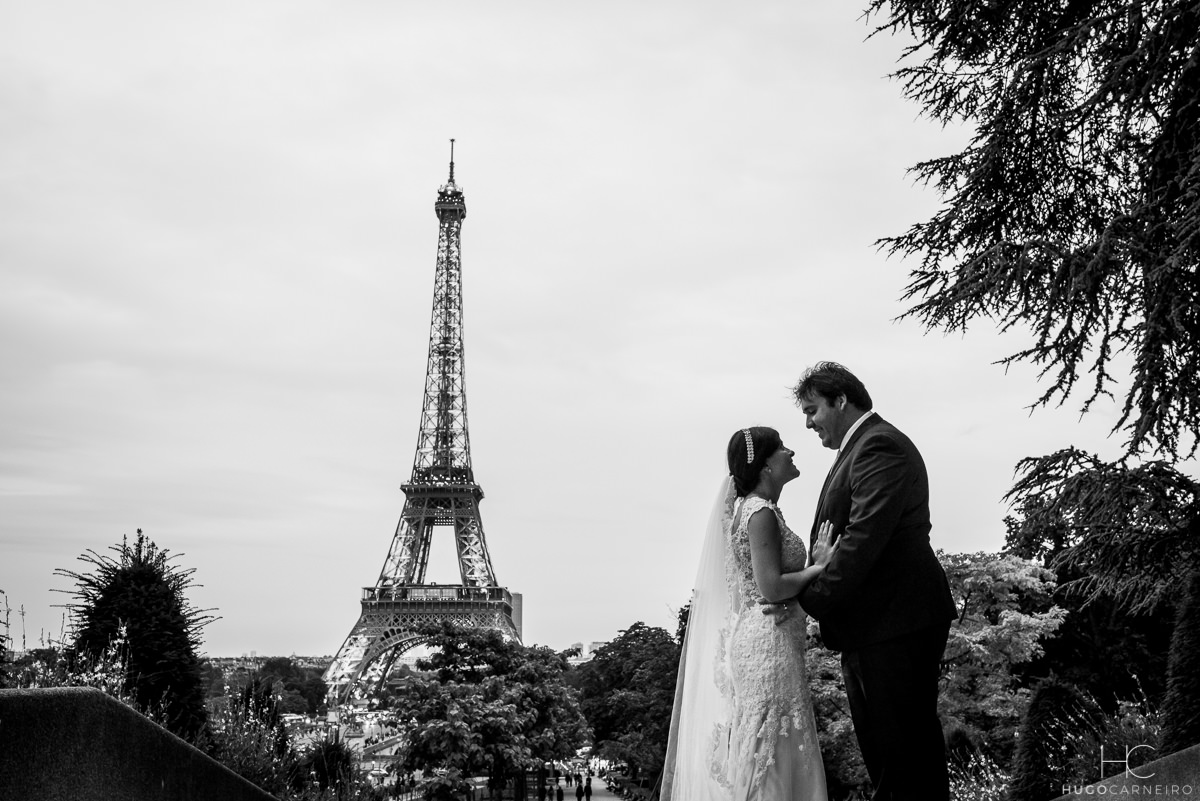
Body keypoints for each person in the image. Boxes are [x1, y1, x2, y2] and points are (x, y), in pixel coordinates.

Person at [787, 362, 958, 801]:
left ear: (840, 401)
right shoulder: (857, 448)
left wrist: (812, 598)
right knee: (892, 756)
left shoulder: (879, 445)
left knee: (902, 757)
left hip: (894, 622)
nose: (808, 423)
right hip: (874, 625)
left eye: (812, 410)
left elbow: (864, 536)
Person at [662, 426, 835, 800]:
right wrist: (817, 568)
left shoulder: (757, 509)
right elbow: (771, 586)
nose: (791, 452)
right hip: (767, 644)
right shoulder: (759, 512)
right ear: (767, 465)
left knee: (770, 743)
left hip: (770, 635)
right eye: (782, 448)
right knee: (769, 747)